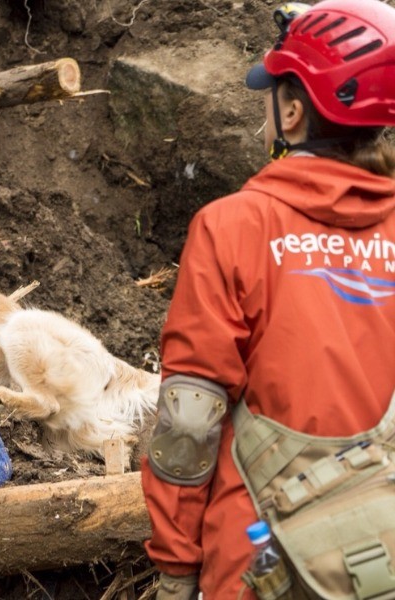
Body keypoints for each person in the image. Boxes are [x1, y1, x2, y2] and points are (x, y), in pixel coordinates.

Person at [140, 0, 395, 598]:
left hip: (259, 565)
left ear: (293, 109)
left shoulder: (233, 228)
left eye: (271, 95)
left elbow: (188, 423)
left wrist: (176, 569)